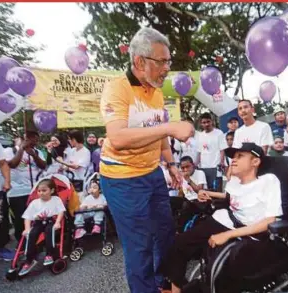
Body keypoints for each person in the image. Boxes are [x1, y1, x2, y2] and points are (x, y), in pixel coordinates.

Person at [98, 27, 194, 293]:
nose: (166, 68)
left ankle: (163, 283)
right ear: (140, 62)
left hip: (152, 174)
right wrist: (169, 128)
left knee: (164, 234)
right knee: (138, 246)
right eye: (161, 61)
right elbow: (117, 137)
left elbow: (159, 133)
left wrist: (171, 164)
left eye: (168, 62)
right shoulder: (116, 88)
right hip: (122, 180)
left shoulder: (157, 92)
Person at [160, 143, 285, 293]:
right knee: (179, 244)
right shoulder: (236, 181)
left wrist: (227, 234)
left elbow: (270, 221)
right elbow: (231, 196)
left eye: (240, 156)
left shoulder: (268, 181)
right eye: (233, 156)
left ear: (255, 161)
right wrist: (208, 193)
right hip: (224, 219)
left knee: (220, 268)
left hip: (249, 231)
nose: (233, 160)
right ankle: (176, 289)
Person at [4, 131, 47, 242]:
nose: (35, 141)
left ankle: (36, 241)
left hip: (34, 191)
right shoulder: (10, 151)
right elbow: (12, 164)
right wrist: (21, 150)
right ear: (23, 138)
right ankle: (22, 242)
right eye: (32, 139)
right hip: (17, 192)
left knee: (37, 217)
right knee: (20, 219)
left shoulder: (37, 151)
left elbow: (43, 166)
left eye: (36, 139)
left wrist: (34, 155)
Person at [18, 179, 66, 276]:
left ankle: (49, 254)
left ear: (51, 191)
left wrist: (57, 222)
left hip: (50, 221)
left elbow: (61, 211)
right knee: (31, 234)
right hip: (38, 222)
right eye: (39, 191)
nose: (41, 193)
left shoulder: (56, 200)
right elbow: (27, 217)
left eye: (44, 190)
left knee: (49, 231)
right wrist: (27, 229)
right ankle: (29, 260)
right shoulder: (34, 203)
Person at [196, 112, 227, 192]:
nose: (206, 124)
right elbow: (199, 152)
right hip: (203, 167)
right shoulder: (200, 135)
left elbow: (222, 149)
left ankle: (218, 204)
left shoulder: (219, 133)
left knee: (216, 190)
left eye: (208, 121)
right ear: (201, 124)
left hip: (216, 167)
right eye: (204, 122)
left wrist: (221, 162)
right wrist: (196, 164)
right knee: (206, 191)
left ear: (212, 121)